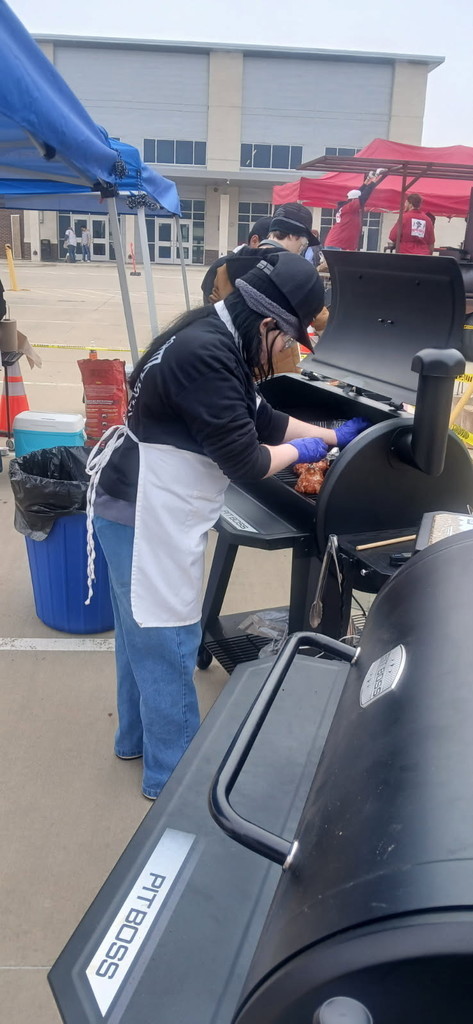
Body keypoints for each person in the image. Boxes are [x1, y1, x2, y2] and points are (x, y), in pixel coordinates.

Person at [85, 251, 369, 801]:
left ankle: (134, 740)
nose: (287, 352)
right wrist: (307, 448)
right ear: (266, 323)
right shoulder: (207, 354)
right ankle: (174, 782)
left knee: (140, 635)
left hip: (135, 501)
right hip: (146, 512)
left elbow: (261, 418)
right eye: (287, 340)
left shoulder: (212, 331)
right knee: (167, 640)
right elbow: (250, 461)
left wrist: (337, 437)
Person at [201, 216, 272, 304]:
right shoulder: (223, 266)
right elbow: (210, 307)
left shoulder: (266, 267)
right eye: (272, 246)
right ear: (254, 241)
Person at [324, 168, 388, 251]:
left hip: (336, 242)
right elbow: (364, 196)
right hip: (338, 244)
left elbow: (358, 193)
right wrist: (375, 178)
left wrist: (368, 179)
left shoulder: (346, 206)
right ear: (354, 200)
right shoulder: (350, 207)